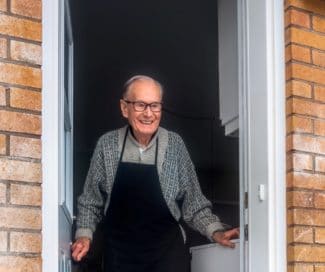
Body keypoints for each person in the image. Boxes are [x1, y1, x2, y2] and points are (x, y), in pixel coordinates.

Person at [71, 75, 239, 272]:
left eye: (155, 105)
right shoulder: (107, 145)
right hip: (120, 257)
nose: (149, 114)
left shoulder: (174, 145)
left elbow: (193, 202)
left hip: (167, 256)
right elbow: (91, 201)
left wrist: (215, 231)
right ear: (124, 108)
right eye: (141, 105)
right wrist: (83, 235)